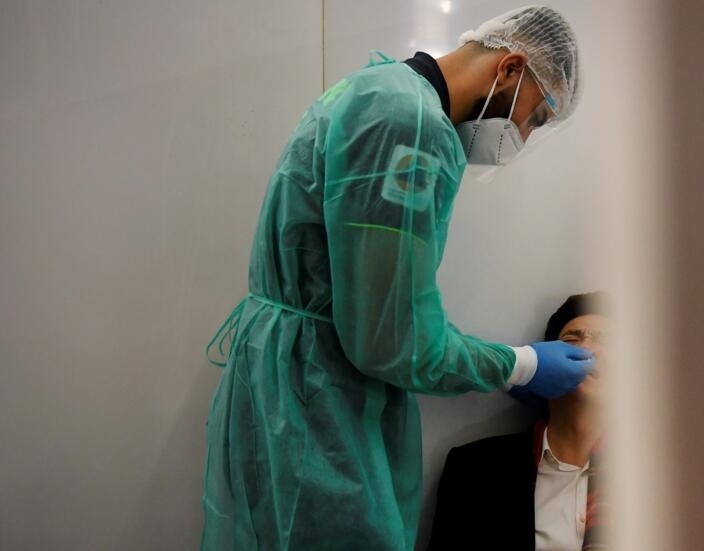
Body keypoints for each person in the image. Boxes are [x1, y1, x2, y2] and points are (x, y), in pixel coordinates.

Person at [201, 6, 588, 551]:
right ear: (510, 68)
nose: (522, 134)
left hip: (287, 385)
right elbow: (394, 340)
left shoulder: (377, 89)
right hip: (318, 408)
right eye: (536, 116)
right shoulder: (409, 124)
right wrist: (521, 365)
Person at [427, 292, 612, 551]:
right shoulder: (475, 469)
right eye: (571, 340)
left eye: (607, 341)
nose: (586, 349)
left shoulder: (660, 477)